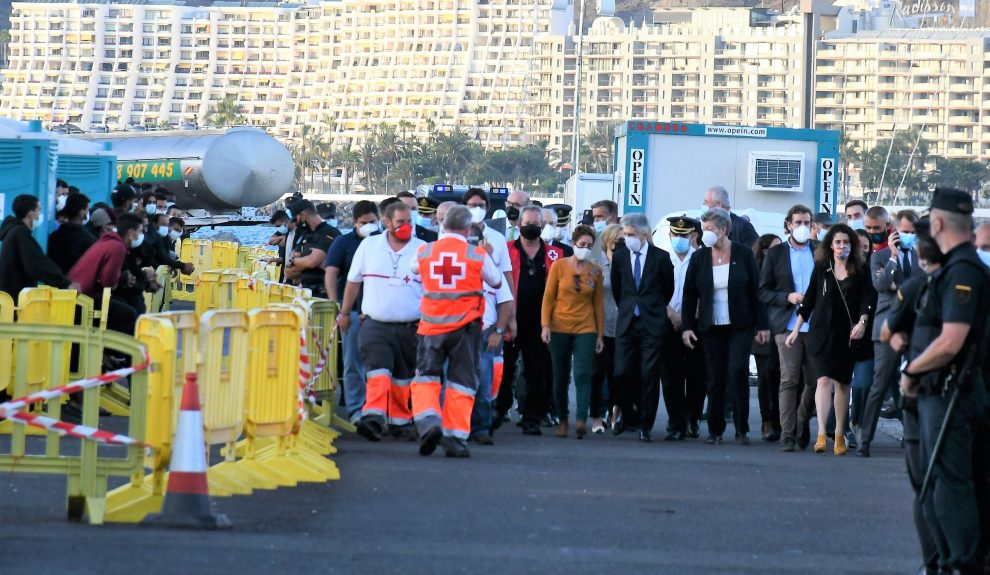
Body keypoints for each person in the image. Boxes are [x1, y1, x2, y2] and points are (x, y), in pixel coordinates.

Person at [900, 189, 989, 574]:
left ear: (937, 223)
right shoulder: (957, 267)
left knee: (951, 485)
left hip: (955, 393)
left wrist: (912, 370)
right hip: (945, 393)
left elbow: (951, 340)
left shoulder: (963, 270)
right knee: (940, 486)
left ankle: (962, 563)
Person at [410, 205, 503, 458]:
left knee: (426, 378)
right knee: (461, 383)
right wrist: (486, 254)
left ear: (443, 225)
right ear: (468, 228)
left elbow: (413, 270)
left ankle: (429, 423)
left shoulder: (424, 251)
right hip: (466, 328)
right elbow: (496, 281)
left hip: (431, 327)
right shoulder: (476, 255)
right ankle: (455, 439)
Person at [880, 217, 944, 575]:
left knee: (928, 483)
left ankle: (938, 561)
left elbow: (890, 329)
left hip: (925, 392)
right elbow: (890, 330)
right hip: (927, 393)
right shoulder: (922, 284)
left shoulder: (921, 283)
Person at [785, 223, 874, 456]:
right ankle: (822, 433)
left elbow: (867, 299)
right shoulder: (822, 268)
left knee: (842, 385)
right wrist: (796, 330)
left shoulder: (861, 270)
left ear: (851, 245)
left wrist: (863, 323)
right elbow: (809, 300)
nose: (842, 246)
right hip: (822, 334)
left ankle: (839, 434)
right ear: (830, 245)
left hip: (848, 335)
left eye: (846, 242)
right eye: (838, 242)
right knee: (823, 380)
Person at [340, 201, 424, 442]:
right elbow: (353, 281)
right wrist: (345, 313)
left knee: (402, 376)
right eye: (401, 222)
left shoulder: (423, 249)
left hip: (411, 326)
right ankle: (373, 417)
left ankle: (399, 421)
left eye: (409, 221)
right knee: (378, 371)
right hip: (375, 324)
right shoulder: (369, 246)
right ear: (386, 222)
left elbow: (431, 289)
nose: (406, 226)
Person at [683, 208, 767, 445]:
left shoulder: (743, 253)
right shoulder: (699, 257)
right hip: (711, 326)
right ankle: (715, 430)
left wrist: (762, 325)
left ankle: (742, 429)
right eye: (703, 229)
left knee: (737, 372)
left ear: (724, 230)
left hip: (739, 324)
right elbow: (690, 294)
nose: (705, 233)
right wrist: (688, 326)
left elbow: (755, 291)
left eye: (709, 229)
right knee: (715, 377)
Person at [859, 209, 919, 457]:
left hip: (917, 326)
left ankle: (913, 436)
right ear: (895, 230)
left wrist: (898, 285)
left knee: (916, 383)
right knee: (879, 384)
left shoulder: (923, 257)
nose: (908, 236)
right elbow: (881, 285)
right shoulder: (881, 256)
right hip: (887, 325)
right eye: (904, 232)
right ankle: (864, 440)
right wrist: (893, 257)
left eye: (912, 233)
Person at [758, 204, 819, 451]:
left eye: (807, 222)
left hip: (815, 326)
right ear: (788, 225)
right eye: (798, 222)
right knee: (789, 380)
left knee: (814, 382)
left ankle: (802, 424)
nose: (803, 227)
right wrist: (787, 297)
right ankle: (787, 432)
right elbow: (763, 291)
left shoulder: (820, 251)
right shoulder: (776, 254)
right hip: (787, 325)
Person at [611, 212, 675, 442]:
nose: (627, 238)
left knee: (649, 374)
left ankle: (645, 424)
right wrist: (629, 308)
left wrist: (652, 309)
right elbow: (619, 289)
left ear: (644, 234)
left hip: (652, 323)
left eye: (631, 234)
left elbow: (667, 289)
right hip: (627, 321)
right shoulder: (620, 256)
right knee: (621, 371)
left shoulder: (661, 257)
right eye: (625, 234)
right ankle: (628, 415)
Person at [504, 206, 566, 435]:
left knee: (535, 372)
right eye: (527, 223)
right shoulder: (507, 249)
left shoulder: (555, 254)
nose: (531, 227)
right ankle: (499, 410)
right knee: (506, 369)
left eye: (536, 224)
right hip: (511, 317)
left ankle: (532, 418)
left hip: (540, 322)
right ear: (519, 224)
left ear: (542, 226)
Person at [541, 224, 604, 439]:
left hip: (585, 327)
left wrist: (600, 334)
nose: (584, 248)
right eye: (581, 244)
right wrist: (545, 325)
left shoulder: (596, 271)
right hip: (559, 326)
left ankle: (580, 420)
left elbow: (598, 305)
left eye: (589, 245)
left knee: (582, 374)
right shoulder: (559, 266)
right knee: (560, 375)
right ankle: (562, 418)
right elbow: (548, 298)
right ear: (573, 243)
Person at [324, 200, 380, 424]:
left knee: (380, 366)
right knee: (352, 363)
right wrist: (334, 304)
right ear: (355, 223)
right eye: (364, 223)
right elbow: (331, 272)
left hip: (380, 313)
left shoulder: (386, 242)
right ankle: (357, 410)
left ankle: (378, 409)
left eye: (373, 222)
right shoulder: (343, 243)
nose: (369, 226)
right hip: (353, 311)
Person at [658, 216, 706, 440]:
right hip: (669, 322)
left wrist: (688, 316)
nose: (679, 239)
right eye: (675, 234)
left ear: (693, 236)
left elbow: (706, 292)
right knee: (670, 375)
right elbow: (655, 291)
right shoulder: (662, 258)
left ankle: (692, 418)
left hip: (695, 322)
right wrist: (672, 314)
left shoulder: (702, 258)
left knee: (696, 375)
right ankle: (675, 420)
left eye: (683, 235)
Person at [68, 213, 145, 335]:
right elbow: (108, 281)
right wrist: (122, 278)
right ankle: (114, 351)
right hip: (82, 298)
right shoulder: (117, 247)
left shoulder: (108, 241)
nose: (142, 236)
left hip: (78, 294)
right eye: (140, 231)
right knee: (129, 313)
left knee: (123, 304)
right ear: (131, 233)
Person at [0, 194, 77, 298]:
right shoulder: (21, 234)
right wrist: (65, 283)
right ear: (31, 214)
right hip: (18, 299)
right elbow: (37, 263)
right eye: (39, 210)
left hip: (9, 297)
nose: (40, 214)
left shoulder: (12, 231)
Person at [590, 223, 622, 434]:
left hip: (623, 327)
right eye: (618, 240)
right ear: (608, 241)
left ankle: (616, 412)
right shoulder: (595, 265)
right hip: (600, 326)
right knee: (597, 373)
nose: (621, 244)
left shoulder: (627, 262)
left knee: (618, 374)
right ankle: (595, 417)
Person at [847, 229, 877, 451]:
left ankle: (857, 422)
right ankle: (834, 428)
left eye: (866, 247)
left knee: (862, 385)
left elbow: (871, 297)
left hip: (867, 338)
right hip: (840, 336)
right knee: (835, 386)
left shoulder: (873, 270)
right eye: (858, 246)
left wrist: (864, 321)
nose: (862, 251)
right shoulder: (837, 269)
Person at [753, 233, 783, 442]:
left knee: (784, 377)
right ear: (765, 251)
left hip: (782, 328)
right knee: (765, 377)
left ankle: (783, 422)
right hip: (762, 330)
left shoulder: (782, 270)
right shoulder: (756, 271)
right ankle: (768, 422)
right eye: (775, 248)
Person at [462, 188, 514, 290]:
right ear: (465, 208)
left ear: (487, 208)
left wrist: (511, 301)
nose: (477, 209)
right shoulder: (457, 236)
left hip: (490, 296)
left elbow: (506, 272)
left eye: (481, 205)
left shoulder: (498, 238)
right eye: (472, 205)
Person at [284, 199, 335, 296]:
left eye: (297, 219)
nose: (296, 223)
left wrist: (295, 261)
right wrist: (299, 262)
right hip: (306, 292)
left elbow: (312, 261)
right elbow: (289, 271)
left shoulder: (329, 232)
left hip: (324, 294)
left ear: (303, 215)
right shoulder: (305, 235)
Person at [48, 192, 96, 274]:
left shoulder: (53, 236)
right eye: (87, 210)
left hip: (56, 282)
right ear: (81, 213)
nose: (88, 212)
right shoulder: (88, 238)